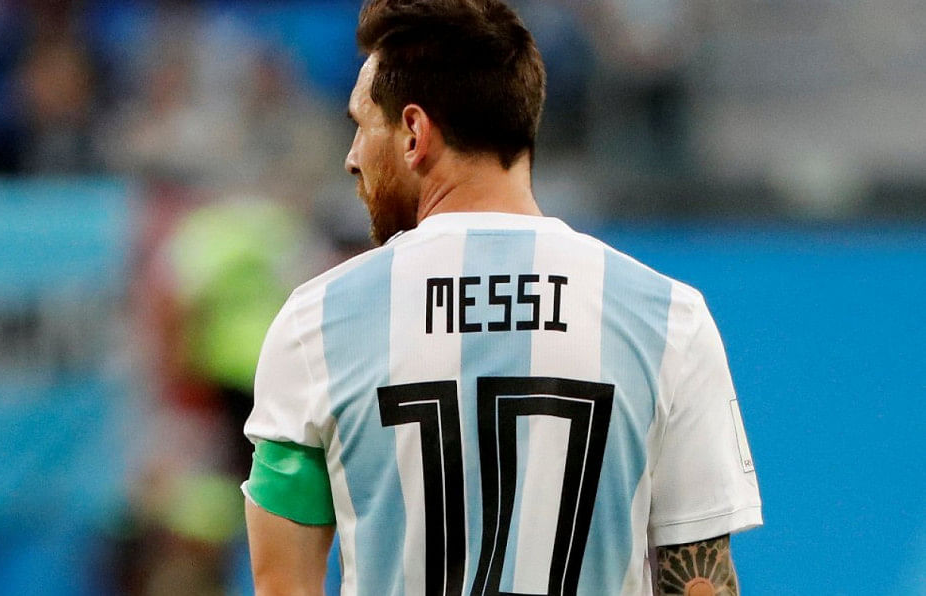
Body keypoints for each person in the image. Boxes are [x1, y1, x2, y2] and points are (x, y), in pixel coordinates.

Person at [242, 1, 763, 594]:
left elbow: (282, 584)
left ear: (414, 133)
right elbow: (699, 582)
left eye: (362, 125)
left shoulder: (317, 322)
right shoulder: (667, 319)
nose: (352, 157)